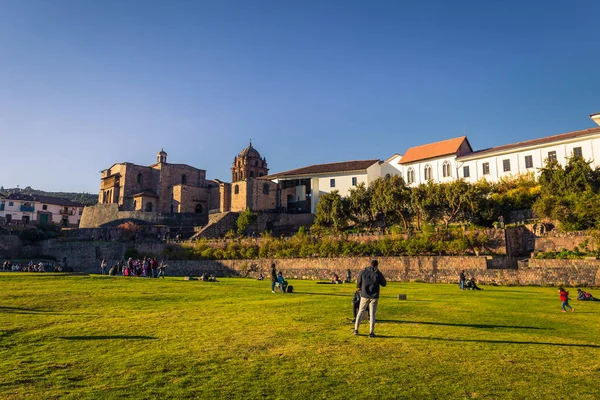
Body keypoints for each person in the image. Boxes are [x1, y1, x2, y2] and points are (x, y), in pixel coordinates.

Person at [353, 259, 387, 337]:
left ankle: (356, 329)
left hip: (364, 295)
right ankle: (371, 332)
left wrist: (359, 288)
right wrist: (379, 273)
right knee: (372, 314)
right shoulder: (377, 273)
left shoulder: (363, 272)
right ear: (376, 265)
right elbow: (384, 283)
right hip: (374, 296)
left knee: (360, 312)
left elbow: (358, 283)